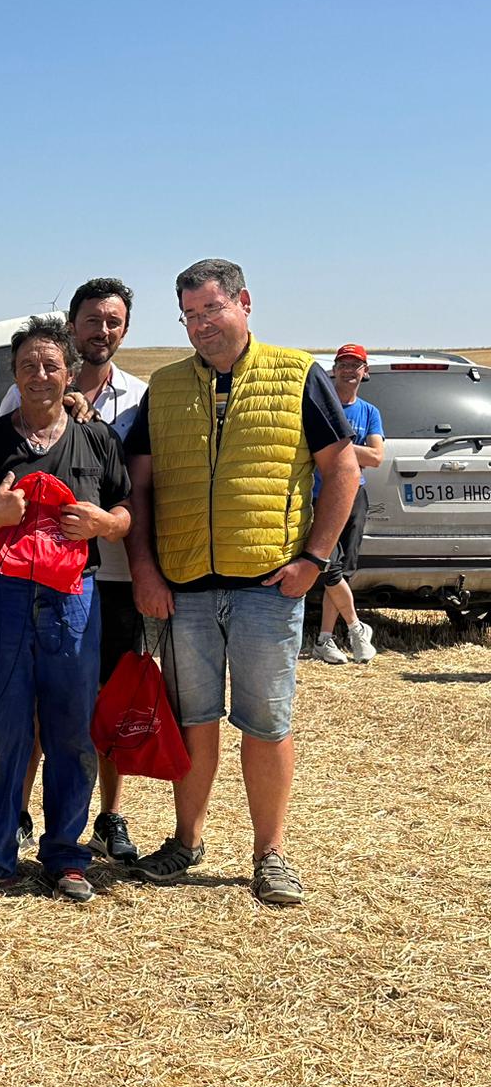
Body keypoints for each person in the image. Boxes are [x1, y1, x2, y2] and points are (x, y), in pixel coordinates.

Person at [125, 258, 359, 906]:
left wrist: (314, 559)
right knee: (193, 720)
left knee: (266, 723)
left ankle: (271, 854)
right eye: (189, 316)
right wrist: (144, 567)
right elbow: (139, 486)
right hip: (185, 586)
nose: (201, 326)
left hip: (268, 586)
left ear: (244, 303)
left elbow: (342, 471)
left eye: (211, 310)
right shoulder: (165, 387)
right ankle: (186, 841)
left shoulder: (296, 374)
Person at [0, 316, 131, 902]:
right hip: (1, 600)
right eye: (28, 365)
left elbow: (127, 512)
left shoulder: (97, 438)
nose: (40, 375)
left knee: (71, 728)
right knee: (1, 726)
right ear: (14, 374)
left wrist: (105, 522)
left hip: (74, 600)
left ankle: (65, 855)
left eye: (51, 364)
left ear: (70, 372)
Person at [0, 279, 150, 863]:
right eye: (92, 321)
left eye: (114, 322)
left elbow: (137, 493)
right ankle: (19, 811)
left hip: (112, 574)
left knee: (105, 702)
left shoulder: (141, 398)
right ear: (74, 325)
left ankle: (109, 814)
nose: (102, 332)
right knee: (42, 703)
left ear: (126, 329)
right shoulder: (31, 392)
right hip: (45, 577)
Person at [311, 343, 384, 665]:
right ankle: (356, 627)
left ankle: (325, 639)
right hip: (319, 495)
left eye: (356, 365)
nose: (349, 370)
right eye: (343, 364)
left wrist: (334, 446)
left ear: (364, 372)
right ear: (334, 369)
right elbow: (311, 446)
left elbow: (377, 457)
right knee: (329, 566)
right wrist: (353, 449)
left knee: (343, 570)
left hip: (355, 494)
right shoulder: (320, 407)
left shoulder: (369, 412)